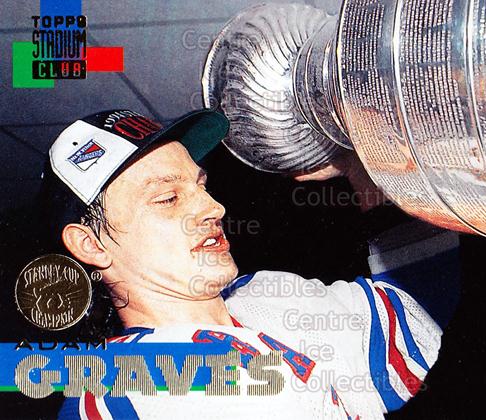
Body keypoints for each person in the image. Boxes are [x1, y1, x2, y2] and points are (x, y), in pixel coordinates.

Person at [41, 108, 459, 419]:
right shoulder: (118, 386)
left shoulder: (268, 297)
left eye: (201, 186)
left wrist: (365, 170)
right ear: (91, 245)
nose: (213, 208)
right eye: (168, 198)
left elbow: (423, 313)